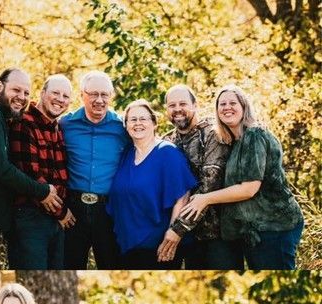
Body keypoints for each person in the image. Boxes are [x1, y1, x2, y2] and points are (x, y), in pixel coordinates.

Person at [180, 85, 304, 270]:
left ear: (244, 107)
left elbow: (248, 188)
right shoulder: (235, 141)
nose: (227, 107)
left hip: (275, 226)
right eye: (222, 104)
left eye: (233, 103)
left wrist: (205, 199)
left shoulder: (254, 135)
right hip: (255, 230)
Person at [0, 68, 59, 269]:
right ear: (0, 86)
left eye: (26, 93)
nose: (21, 97)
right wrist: (42, 191)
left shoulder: (0, 119)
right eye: (16, 90)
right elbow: (1, 169)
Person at [107, 101, 196, 269]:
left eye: (143, 119)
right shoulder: (126, 154)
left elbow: (183, 196)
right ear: (126, 125)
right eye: (133, 120)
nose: (138, 123)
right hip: (126, 244)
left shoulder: (167, 152)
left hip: (158, 246)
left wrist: (173, 233)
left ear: (154, 123)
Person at [162, 84, 238, 270]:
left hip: (219, 235)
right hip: (190, 238)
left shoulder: (213, 133)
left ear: (195, 105)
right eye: (172, 105)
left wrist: (177, 230)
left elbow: (209, 185)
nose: (177, 109)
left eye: (183, 104)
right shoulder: (167, 141)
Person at [59, 72, 130, 269]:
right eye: (93, 94)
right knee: (69, 267)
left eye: (104, 94)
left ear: (111, 96)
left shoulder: (122, 126)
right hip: (73, 210)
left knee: (112, 267)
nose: (99, 100)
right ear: (82, 95)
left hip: (108, 211)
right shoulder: (65, 124)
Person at [7, 74, 74, 268]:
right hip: (30, 218)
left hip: (54, 220)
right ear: (43, 93)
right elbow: (31, 176)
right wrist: (62, 213)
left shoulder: (56, 128)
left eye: (65, 96)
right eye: (55, 93)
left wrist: (60, 214)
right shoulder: (24, 122)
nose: (60, 99)